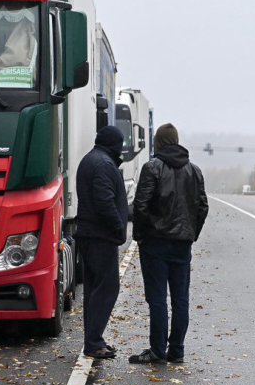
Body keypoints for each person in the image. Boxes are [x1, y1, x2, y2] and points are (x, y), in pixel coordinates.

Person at [128, 123, 208, 364]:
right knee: (180, 299)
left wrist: (140, 235)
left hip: (155, 243)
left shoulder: (152, 168)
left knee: (158, 299)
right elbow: (202, 207)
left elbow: (140, 206)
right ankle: (177, 350)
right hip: (182, 244)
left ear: (159, 143)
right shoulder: (194, 171)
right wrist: (191, 233)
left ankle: (157, 351)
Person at [75, 125, 128, 359]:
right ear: (115, 144)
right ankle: (94, 342)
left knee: (93, 290)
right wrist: (118, 227)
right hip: (101, 236)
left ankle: (93, 340)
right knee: (107, 288)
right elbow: (104, 201)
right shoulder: (104, 165)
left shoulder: (91, 159)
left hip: (89, 234)